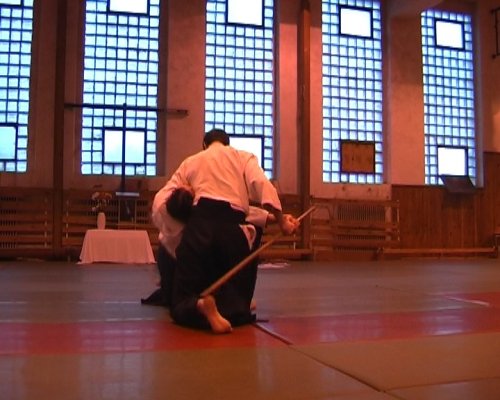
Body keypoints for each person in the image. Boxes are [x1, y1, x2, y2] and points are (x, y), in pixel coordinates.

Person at [152, 128, 299, 333]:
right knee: (238, 299)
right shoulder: (242, 157)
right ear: (228, 144)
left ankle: (200, 305)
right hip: (234, 232)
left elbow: (160, 202)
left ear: (204, 145)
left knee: (180, 302)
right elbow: (259, 188)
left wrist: (183, 225)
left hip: (200, 228)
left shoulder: (192, 161)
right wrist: (281, 221)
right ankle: (234, 307)